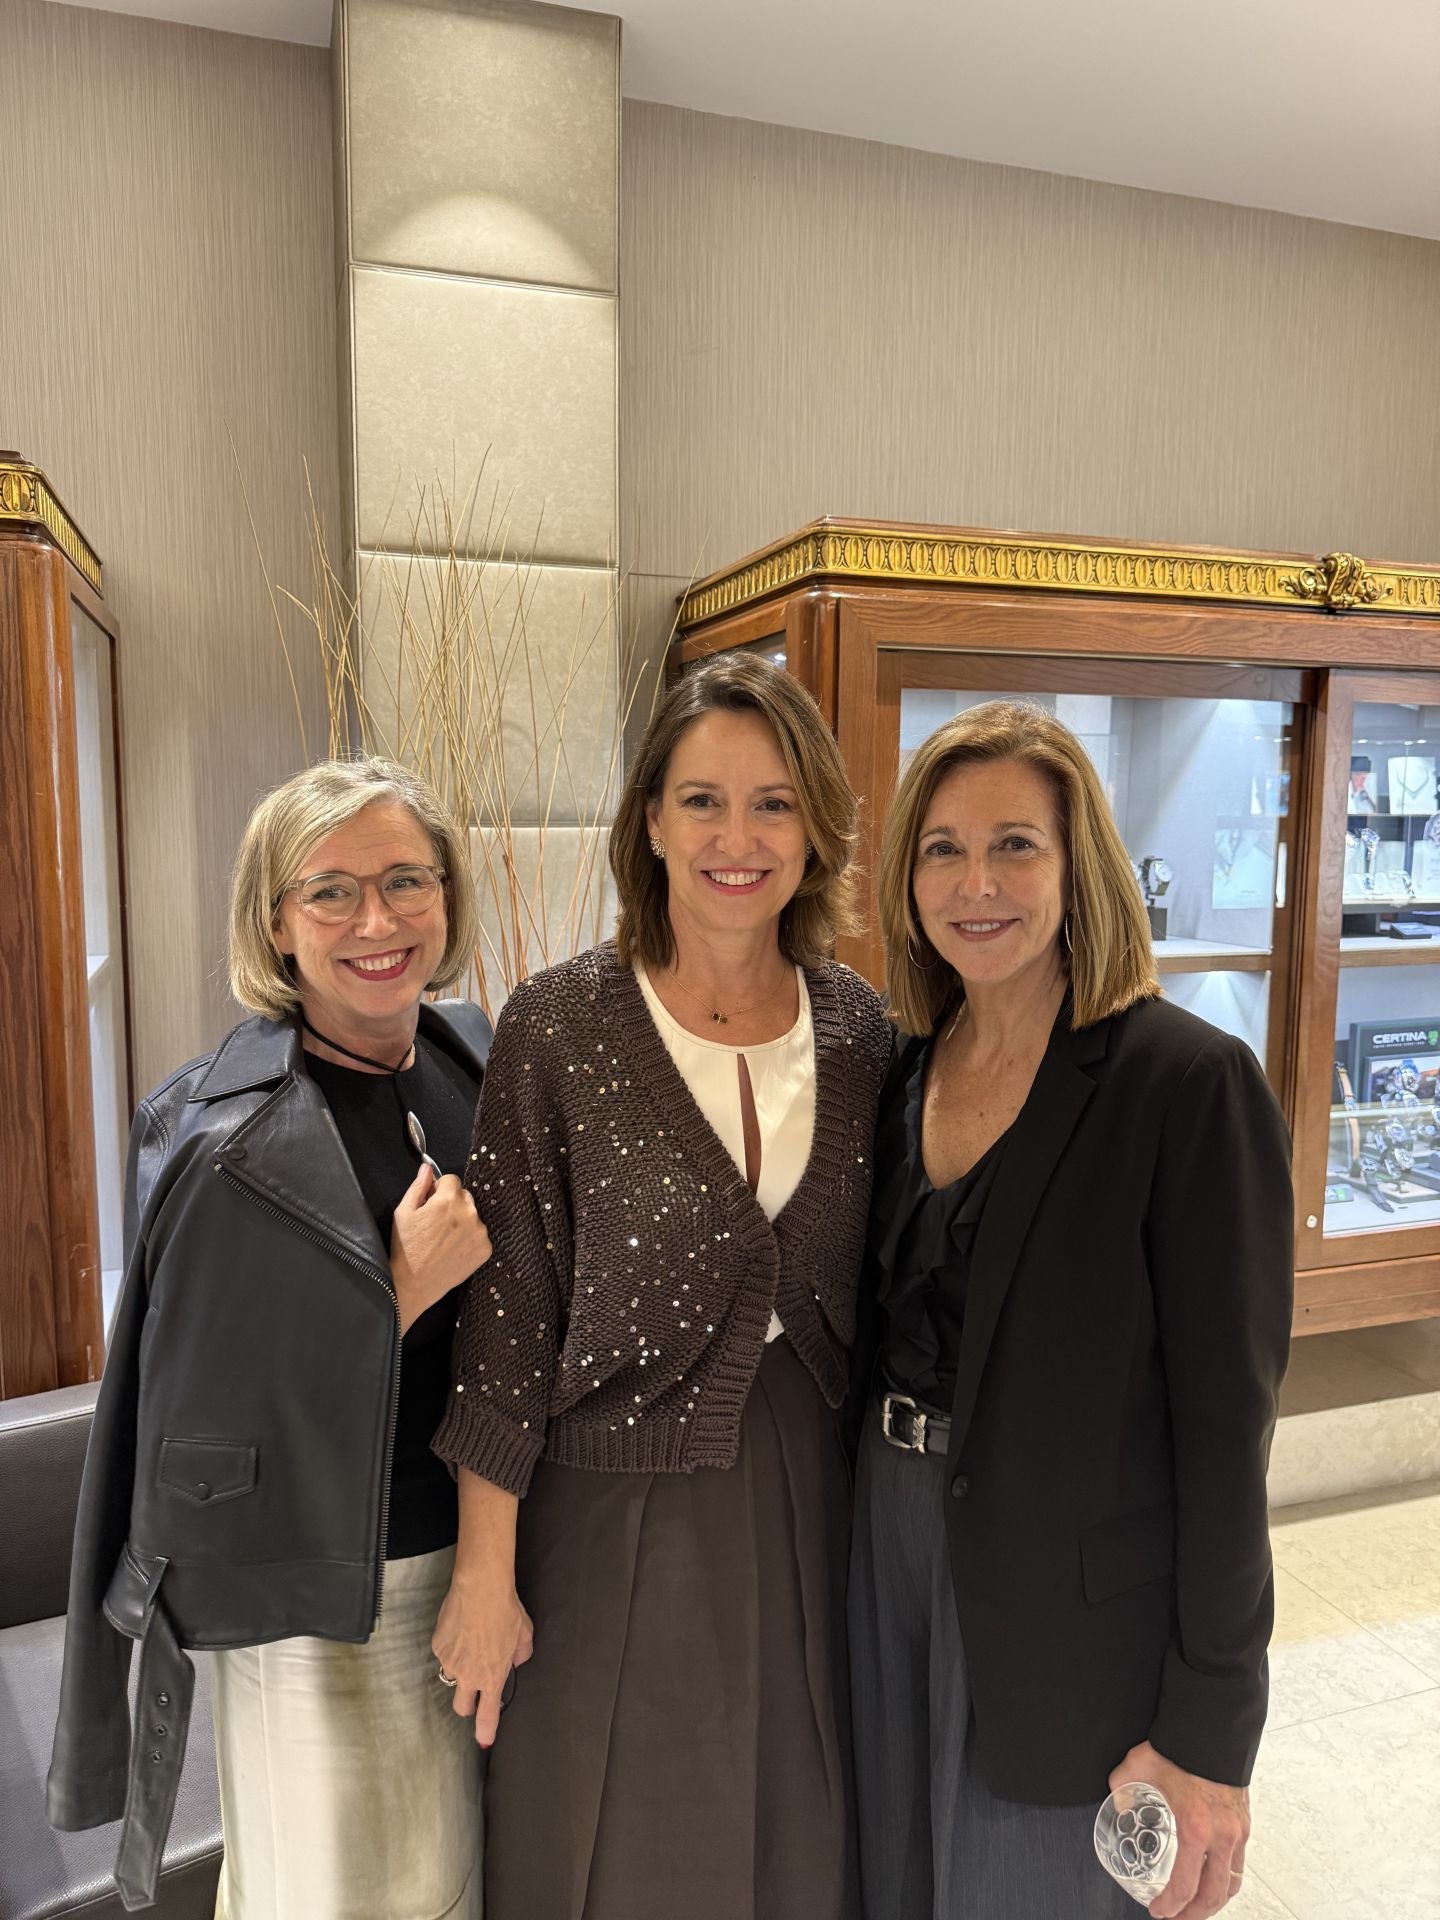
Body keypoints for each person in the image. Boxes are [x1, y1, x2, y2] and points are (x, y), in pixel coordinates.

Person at [430, 654, 892, 1920]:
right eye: (702, 801)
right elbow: (507, 1322)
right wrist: (486, 1571)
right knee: (612, 1851)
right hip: (606, 1521)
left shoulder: (862, 1037)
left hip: (820, 1507)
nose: (736, 839)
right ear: (649, 820)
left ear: (816, 829)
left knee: (806, 1835)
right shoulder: (560, 1028)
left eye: (773, 803)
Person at [848, 701, 1293, 1920]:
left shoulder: (1185, 1085)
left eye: (1014, 845)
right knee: (901, 1879)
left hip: (1069, 1616)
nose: (974, 882)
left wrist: (1210, 1737)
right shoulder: (900, 1073)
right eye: (941, 847)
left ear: (1077, 862)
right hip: (883, 1554)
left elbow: (1226, 1439)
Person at [48, 758, 494, 1918]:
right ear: (276, 922)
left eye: (407, 880)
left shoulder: (466, 1061)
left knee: (449, 1889)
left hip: (478, 1567)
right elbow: (197, 1450)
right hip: (323, 1601)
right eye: (331, 892)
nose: (378, 920)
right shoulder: (220, 1140)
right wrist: (393, 1294)